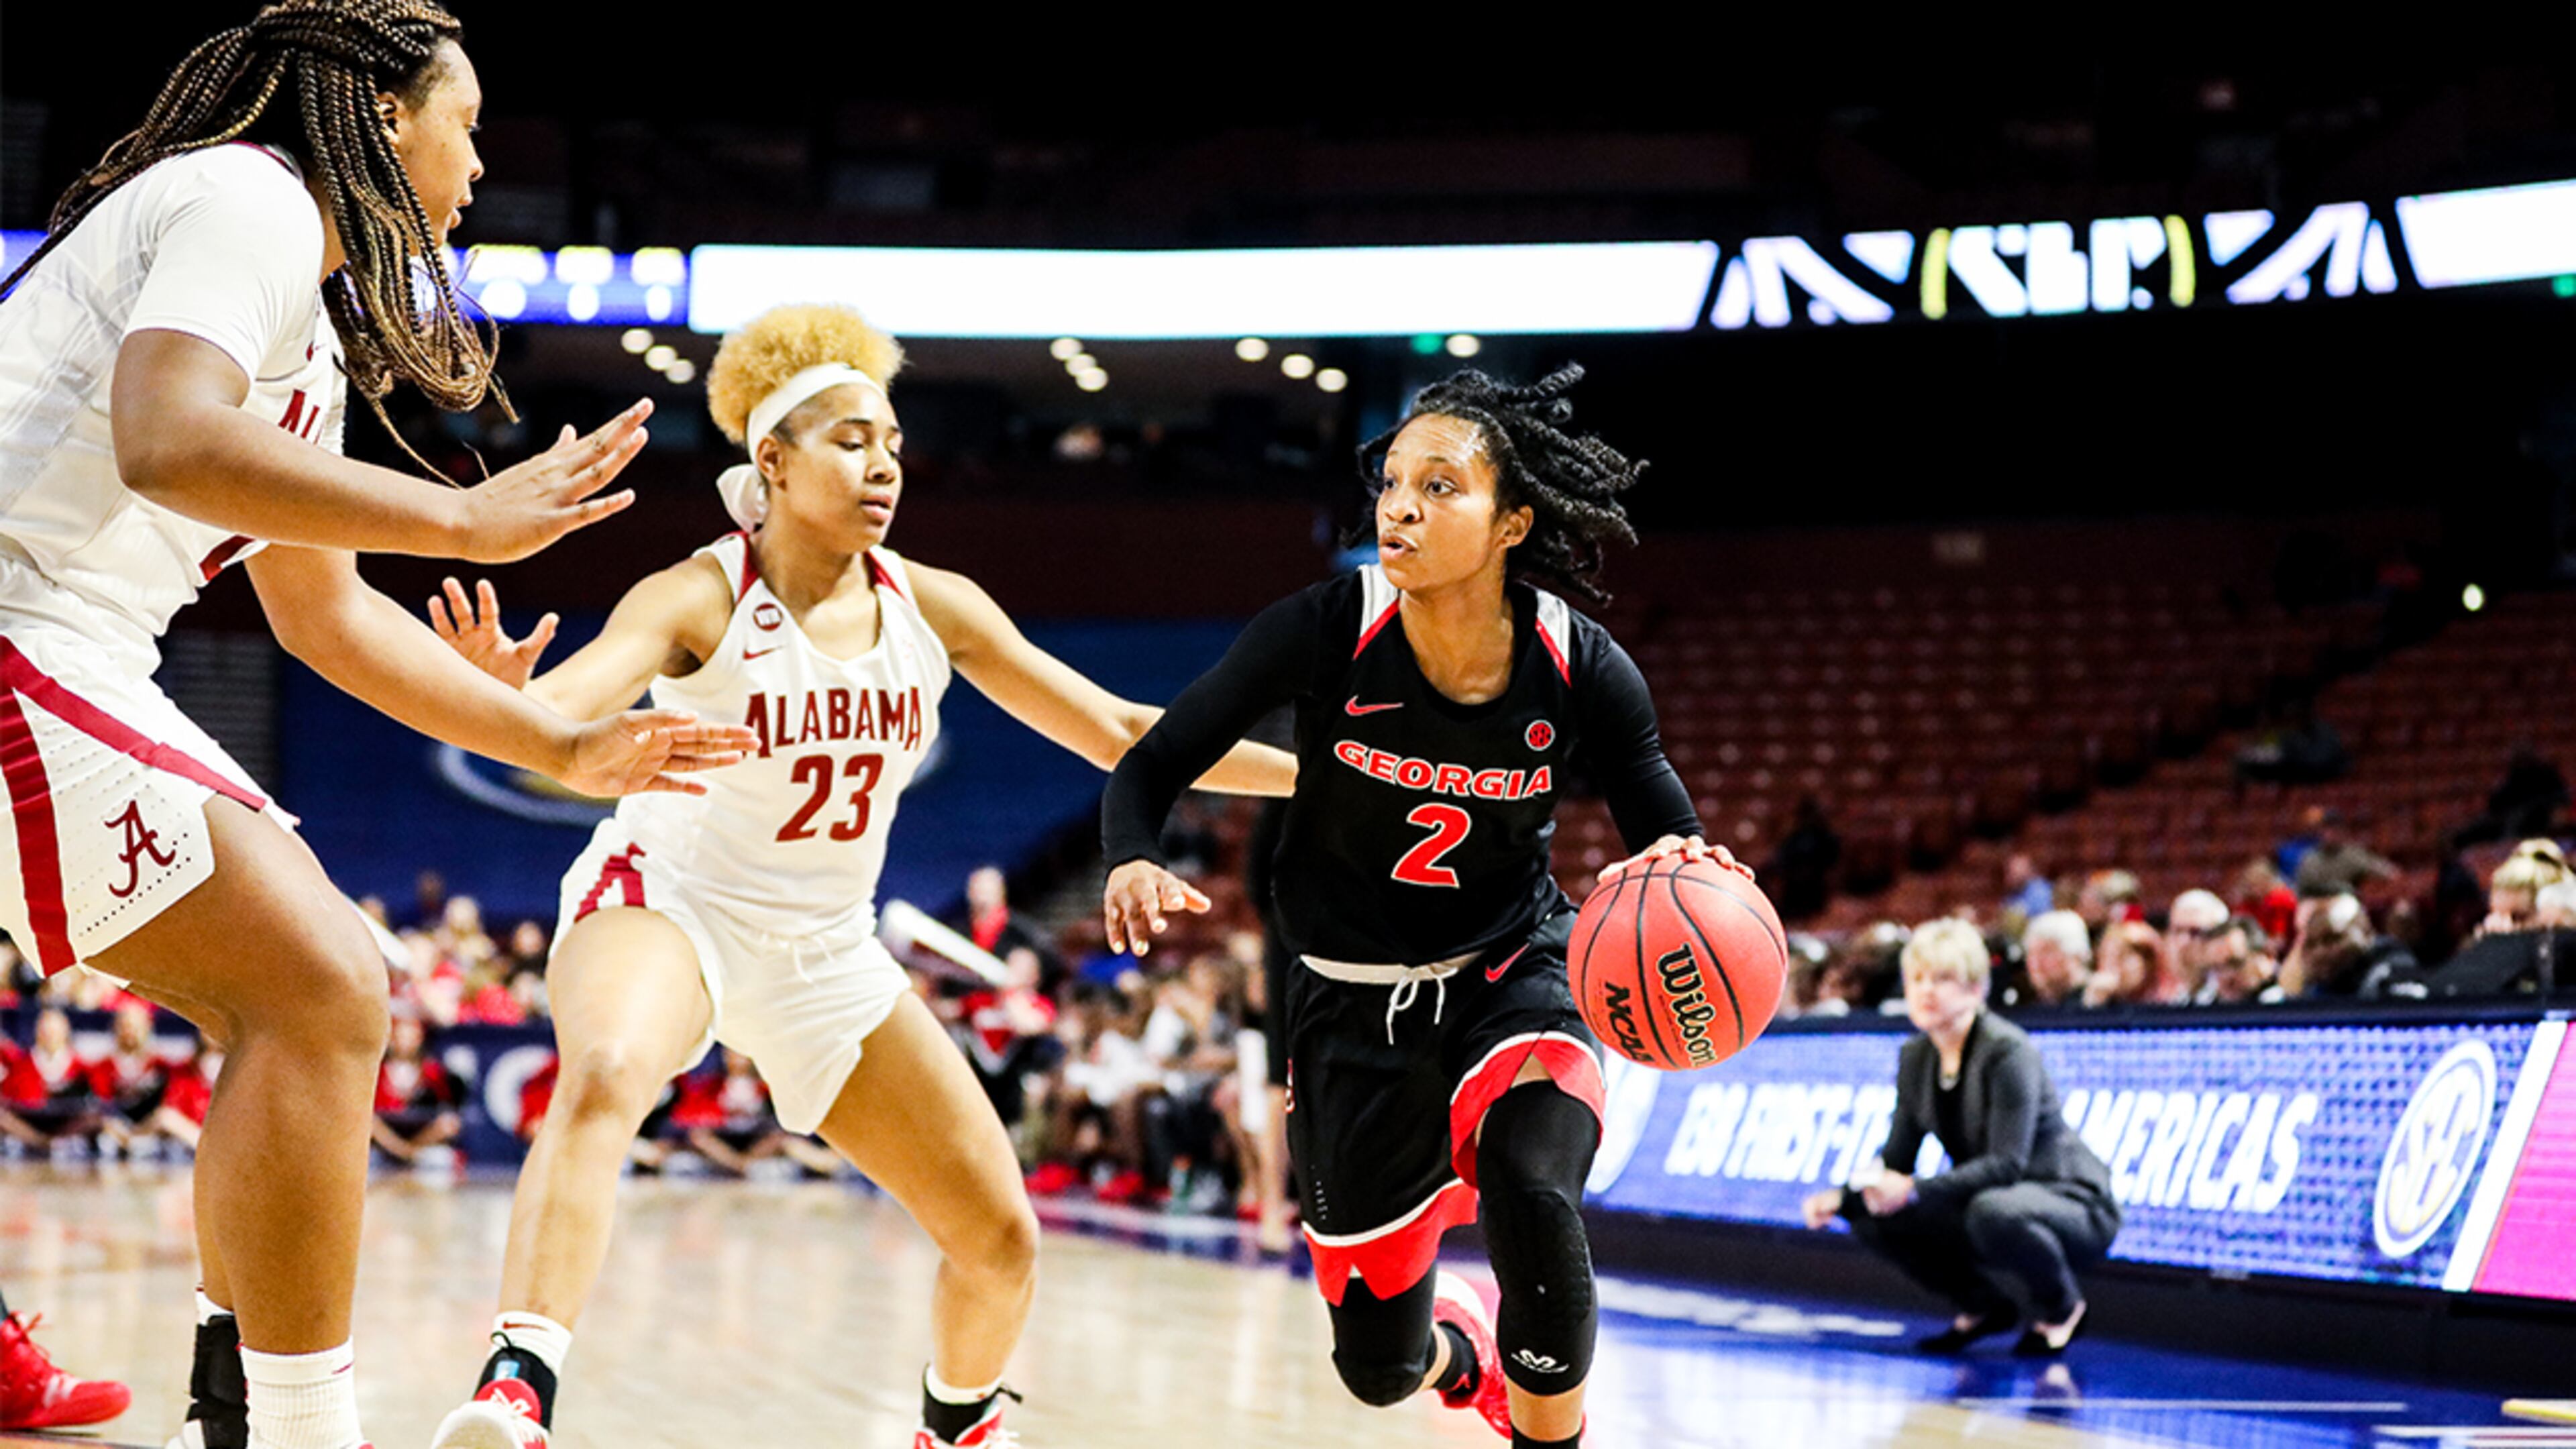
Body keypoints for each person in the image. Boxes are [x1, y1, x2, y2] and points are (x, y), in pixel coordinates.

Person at [0, 8, 756, 1448]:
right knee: (327, 991)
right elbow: (165, 435)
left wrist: (559, 745)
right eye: (466, 123)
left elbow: (325, 620)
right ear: (385, 118)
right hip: (18, 618)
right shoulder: (251, 197)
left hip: (67, 644)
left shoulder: (309, 334)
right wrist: (464, 517)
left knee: (286, 1002)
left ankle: (238, 1410)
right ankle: (297, 1434)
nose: (481, 162)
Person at [420, 301, 1296, 1449]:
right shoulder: (699, 595)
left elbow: (1129, 728)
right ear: (771, 461)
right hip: (671, 903)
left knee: (1000, 1235)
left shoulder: (932, 605)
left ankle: (959, 1426)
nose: (882, 464)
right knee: (610, 1070)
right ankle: (516, 1387)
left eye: (889, 442)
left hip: (824, 950)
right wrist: (494, 701)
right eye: (849, 440)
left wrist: (1337, 779)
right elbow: (561, 713)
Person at [1102, 365, 1732, 1446]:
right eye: (1393, 483)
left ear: (1511, 523)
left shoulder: (1578, 662)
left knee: (1534, 1195)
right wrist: (1127, 856)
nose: (1401, 506)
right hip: (1349, 1011)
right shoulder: (1323, 628)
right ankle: (1458, 1354)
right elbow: (1153, 763)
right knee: (1379, 1371)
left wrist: (1709, 901)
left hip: (1513, 971)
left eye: (1441, 487)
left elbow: (1668, 835)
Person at [1801, 919, 2120, 1357]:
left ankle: (2061, 1309)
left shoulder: (2008, 1052)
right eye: (1917, 979)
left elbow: (2008, 1164)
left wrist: (1911, 1190)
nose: (1927, 991)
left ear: (1975, 989)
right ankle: (1983, 1307)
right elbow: (1898, 1156)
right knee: (1873, 1211)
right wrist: (1848, 1194)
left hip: (2070, 1201)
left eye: (1943, 979)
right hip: (1997, 1199)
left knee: (1992, 1211)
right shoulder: (1916, 1056)